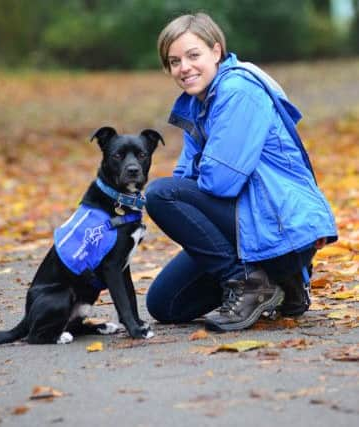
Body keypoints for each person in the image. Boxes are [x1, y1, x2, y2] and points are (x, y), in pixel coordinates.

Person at [144, 13, 338, 332]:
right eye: (174, 61)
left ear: (216, 52)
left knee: (160, 194)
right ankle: (282, 284)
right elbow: (187, 176)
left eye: (193, 55)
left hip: (281, 226)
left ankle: (250, 282)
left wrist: (199, 174)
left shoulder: (239, 91)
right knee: (165, 304)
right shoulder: (195, 104)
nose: (184, 68)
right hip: (248, 225)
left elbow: (219, 181)